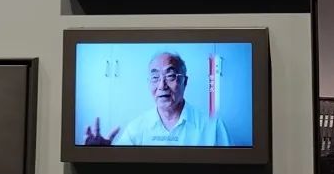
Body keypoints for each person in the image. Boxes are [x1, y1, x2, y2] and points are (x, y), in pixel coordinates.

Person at [84, 52, 230, 147]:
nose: (162, 85)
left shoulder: (213, 126)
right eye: (155, 77)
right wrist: (103, 154)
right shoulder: (136, 128)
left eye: (170, 76)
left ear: (184, 82)